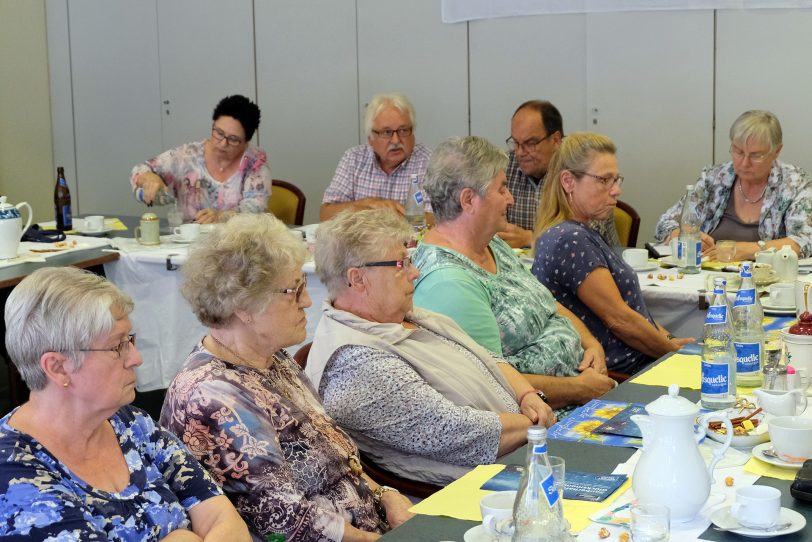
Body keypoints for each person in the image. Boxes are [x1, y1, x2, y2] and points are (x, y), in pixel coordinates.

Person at [159, 213, 412, 542]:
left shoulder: (271, 358)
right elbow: (284, 520)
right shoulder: (213, 397)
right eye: (294, 290)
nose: (307, 301)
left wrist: (385, 496)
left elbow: (338, 458)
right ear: (245, 306)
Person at [0, 267, 249, 541]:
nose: (136, 358)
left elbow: (224, 519)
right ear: (58, 367)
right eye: (117, 346)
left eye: (130, 340)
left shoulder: (131, 423)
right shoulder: (13, 473)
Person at [307, 209, 554, 486]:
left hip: (525, 448)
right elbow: (458, 433)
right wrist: (533, 422)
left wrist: (527, 395)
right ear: (357, 279)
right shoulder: (355, 364)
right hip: (481, 490)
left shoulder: (410, 317)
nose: (415, 272)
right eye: (401, 264)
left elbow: (489, 358)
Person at [412, 136, 615, 414]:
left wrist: (591, 345)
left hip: (582, 391)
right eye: (502, 188)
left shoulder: (492, 244)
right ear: (469, 200)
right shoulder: (448, 283)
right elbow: (492, 382)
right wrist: (580, 388)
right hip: (545, 420)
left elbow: (547, 304)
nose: (511, 198)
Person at [533, 133, 694, 374]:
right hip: (623, 373)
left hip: (637, 362)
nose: (616, 190)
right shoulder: (570, 239)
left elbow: (632, 311)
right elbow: (620, 320)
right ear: (568, 181)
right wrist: (676, 356)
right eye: (604, 180)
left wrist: (670, 341)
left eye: (617, 179)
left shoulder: (577, 232)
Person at [655, 109, 812, 260]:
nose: (744, 163)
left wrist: (747, 250)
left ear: (777, 151)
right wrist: (684, 236)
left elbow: (804, 242)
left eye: (756, 156)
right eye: (738, 151)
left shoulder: (795, 184)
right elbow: (664, 224)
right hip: (706, 276)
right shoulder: (713, 178)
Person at [131, 94, 272, 224]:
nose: (223, 143)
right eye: (219, 133)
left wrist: (221, 216)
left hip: (234, 245)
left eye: (233, 139)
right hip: (186, 243)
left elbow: (253, 212)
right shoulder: (188, 156)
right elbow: (141, 170)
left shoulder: (255, 164)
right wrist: (148, 178)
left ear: (246, 140)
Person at [499, 100, 619, 248]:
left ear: (556, 140)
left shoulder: (581, 169)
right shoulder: (503, 168)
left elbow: (588, 240)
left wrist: (530, 238)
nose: (520, 152)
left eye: (530, 143)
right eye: (516, 143)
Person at [320, 93, 432, 222]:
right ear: (370, 138)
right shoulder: (353, 159)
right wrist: (368, 205)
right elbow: (326, 214)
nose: (396, 140)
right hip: (361, 241)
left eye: (403, 130)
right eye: (386, 132)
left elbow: (437, 220)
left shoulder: (430, 164)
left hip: (407, 241)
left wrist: (388, 215)